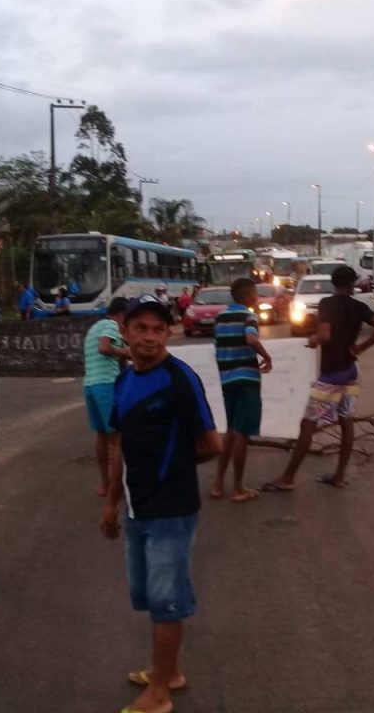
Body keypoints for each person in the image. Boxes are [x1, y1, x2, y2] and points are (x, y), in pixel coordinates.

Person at [99, 295, 222, 713]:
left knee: (166, 601)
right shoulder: (123, 381)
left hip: (172, 509)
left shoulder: (180, 378)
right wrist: (111, 503)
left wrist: (175, 470)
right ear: (125, 332)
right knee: (146, 595)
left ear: (168, 333)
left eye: (157, 329)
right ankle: (168, 671)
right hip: (137, 508)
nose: (149, 337)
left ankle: (161, 695)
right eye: (140, 328)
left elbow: (212, 445)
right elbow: (121, 448)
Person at [264, 266, 374, 490]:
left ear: (333, 283)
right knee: (346, 422)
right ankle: (339, 477)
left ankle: (288, 478)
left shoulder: (327, 304)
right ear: (353, 284)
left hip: (331, 375)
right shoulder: (359, 306)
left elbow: (325, 335)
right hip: (350, 372)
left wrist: (313, 340)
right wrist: (360, 347)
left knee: (308, 425)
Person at [211, 278, 272, 503]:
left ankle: (218, 484)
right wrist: (266, 356)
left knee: (230, 431)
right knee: (241, 434)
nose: (257, 299)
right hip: (246, 380)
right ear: (247, 297)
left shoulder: (220, 318)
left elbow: (217, 347)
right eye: (255, 295)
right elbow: (251, 338)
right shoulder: (249, 316)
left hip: (227, 380)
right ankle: (238, 488)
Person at [83, 297, 131, 498]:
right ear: (120, 315)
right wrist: (126, 352)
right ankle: (116, 486)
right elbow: (105, 348)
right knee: (116, 437)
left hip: (90, 385)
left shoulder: (95, 327)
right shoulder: (111, 325)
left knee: (101, 436)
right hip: (106, 384)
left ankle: (105, 484)